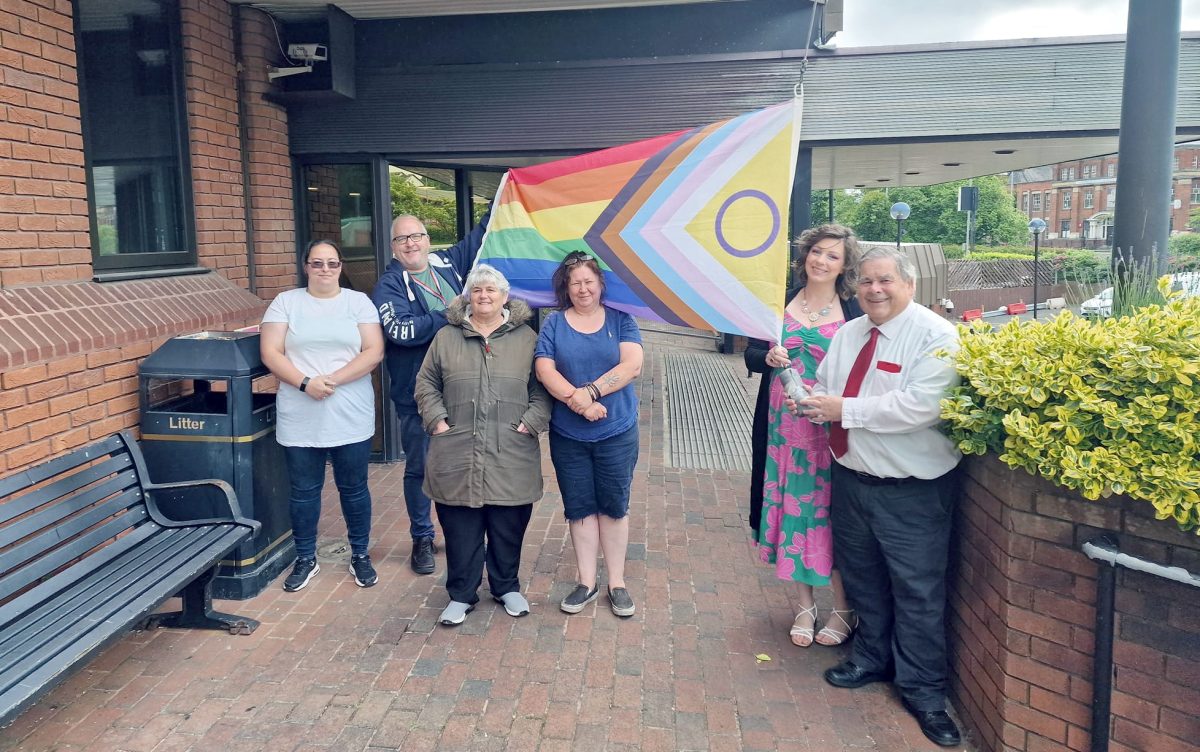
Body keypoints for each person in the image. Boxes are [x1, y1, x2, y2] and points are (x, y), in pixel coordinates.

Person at [796, 245, 963, 748]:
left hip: (912, 491)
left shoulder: (936, 336)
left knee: (917, 591)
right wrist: (809, 399)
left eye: (885, 280)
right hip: (852, 482)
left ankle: (924, 692)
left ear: (908, 283)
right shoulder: (850, 333)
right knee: (865, 579)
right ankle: (871, 657)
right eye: (866, 281)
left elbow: (920, 408)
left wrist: (842, 409)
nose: (874, 289)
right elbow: (825, 387)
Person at [744, 225, 864, 648]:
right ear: (804, 255)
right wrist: (768, 355)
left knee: (832, 515)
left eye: (833, 256)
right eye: (816, 252)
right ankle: (804, 605)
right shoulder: (780, 302)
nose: (821, 261)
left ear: (845, 265)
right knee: (792, 511)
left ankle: (845, 608)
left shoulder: (854, 310)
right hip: (782, 429)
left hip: (829, 430)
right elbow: (751, 354)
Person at [414, 264, 551, 626]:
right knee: (461, 525)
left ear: (505, 297)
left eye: (492, 290)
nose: (484, 296)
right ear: (468, 297)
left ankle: (507, 586)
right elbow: (426, 383)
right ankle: (461, 593)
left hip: (512, 447)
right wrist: (438, 421)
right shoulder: (446, 337)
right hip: (456, 447)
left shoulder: (527, 339)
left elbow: (543, 390)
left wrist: (530, 423)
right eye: (477, 290)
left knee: (509, 522)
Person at [261, 239, 385, 592]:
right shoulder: (287, 302)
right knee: (303, 491)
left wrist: (330, 382)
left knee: (354, 488)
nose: (325, 270)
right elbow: (270, 351)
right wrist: (305, 384)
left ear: (341, 267)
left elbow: (374, 351)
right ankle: (305, 557)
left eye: (332, 263)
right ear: (306, 266)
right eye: (318, 263)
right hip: (300, 411)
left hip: (349, 410)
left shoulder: (357, 302)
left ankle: (360, 554)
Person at [373, 210, 489, 575]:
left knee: (464, 464)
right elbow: (401, 332)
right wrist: (448, 312)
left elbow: (480, 237)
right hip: (419, 394)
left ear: (427, 239)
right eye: (402, 239)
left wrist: (504, 195)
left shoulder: (444, 262)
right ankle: (422, 537)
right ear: (394, 248)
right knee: (422, 467)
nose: (411, 244)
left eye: (417, 236)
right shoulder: (389, 284)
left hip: (464, 386)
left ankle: (461, 535)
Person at [535, 251, 643, 618]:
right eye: (575, 283)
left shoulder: (620, 319)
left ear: (600, 285)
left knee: (613, 506)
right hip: (569, 435)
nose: (582, 289)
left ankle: (616, 582)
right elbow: (544, 370)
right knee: (579, 508)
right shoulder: (553, 324)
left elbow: (632, 365)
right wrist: (578, 403)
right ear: (566, 287)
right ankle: (586, 581)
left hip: (617, 430)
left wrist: (592, 393)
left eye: (588, 282)